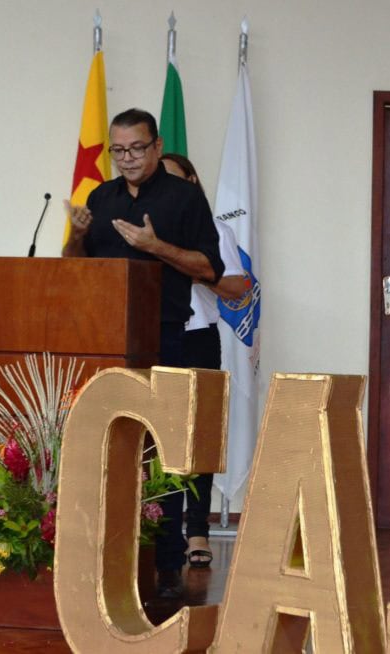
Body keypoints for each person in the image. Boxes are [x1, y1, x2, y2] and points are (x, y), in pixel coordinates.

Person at [63, 108, 224, 598]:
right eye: (118, 150)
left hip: (164, 336)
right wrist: (79, 235)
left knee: (162, 450)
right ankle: (101, 553)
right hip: (106, 341)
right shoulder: (102, 197)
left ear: (156, 146)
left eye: (136, 148)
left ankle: (166, 561)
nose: (127, 158)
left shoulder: (184, 197)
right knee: (110, 446)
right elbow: (76, 268)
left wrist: (157, 247)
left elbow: (209, 267)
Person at [160, 153, 245, 569]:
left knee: (199, 437)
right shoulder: (139, 230)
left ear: (192, 182)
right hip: (151, 338)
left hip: (197, 340)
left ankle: (196, 530)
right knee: (157, 440)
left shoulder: (212, 229)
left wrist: (190, 269)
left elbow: (238, 289)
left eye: (174, 181)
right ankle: (160, 532)